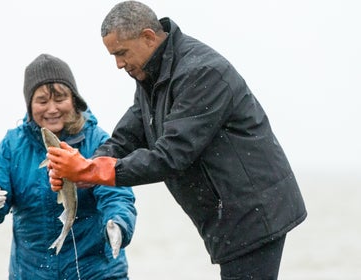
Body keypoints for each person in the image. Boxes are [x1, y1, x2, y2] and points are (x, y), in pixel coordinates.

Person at [46, 1, 307, 279]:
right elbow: (128, 136)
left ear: (148, 37)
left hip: (253, 213)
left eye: (121, 53)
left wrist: (91, 171)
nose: (118, 64)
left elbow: (172, 156)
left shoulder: (202, 73)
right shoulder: (152, 75)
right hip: (227, 217)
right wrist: (86, 167)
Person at [0, 53, 137, 280]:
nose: (52, 109)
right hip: (31, 272)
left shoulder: (97, 141)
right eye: (42, 101)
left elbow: (116, 194)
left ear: (74, 99)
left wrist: (119, 223)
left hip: (97, 272)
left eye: (60, 98)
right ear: (30, 105)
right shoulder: (13, 146)